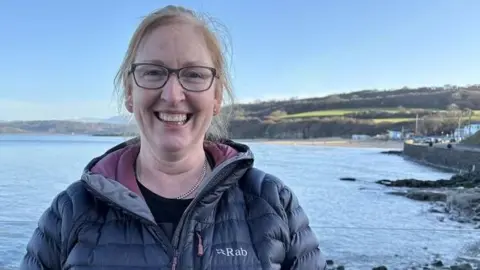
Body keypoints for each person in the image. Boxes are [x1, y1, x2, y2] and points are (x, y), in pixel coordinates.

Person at [20, 5, 326, 270]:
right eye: (154, 72)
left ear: (217, 97)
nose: (172, 95)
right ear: (130, 93)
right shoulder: (71, 211)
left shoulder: (271, 203)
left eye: (193, 74)